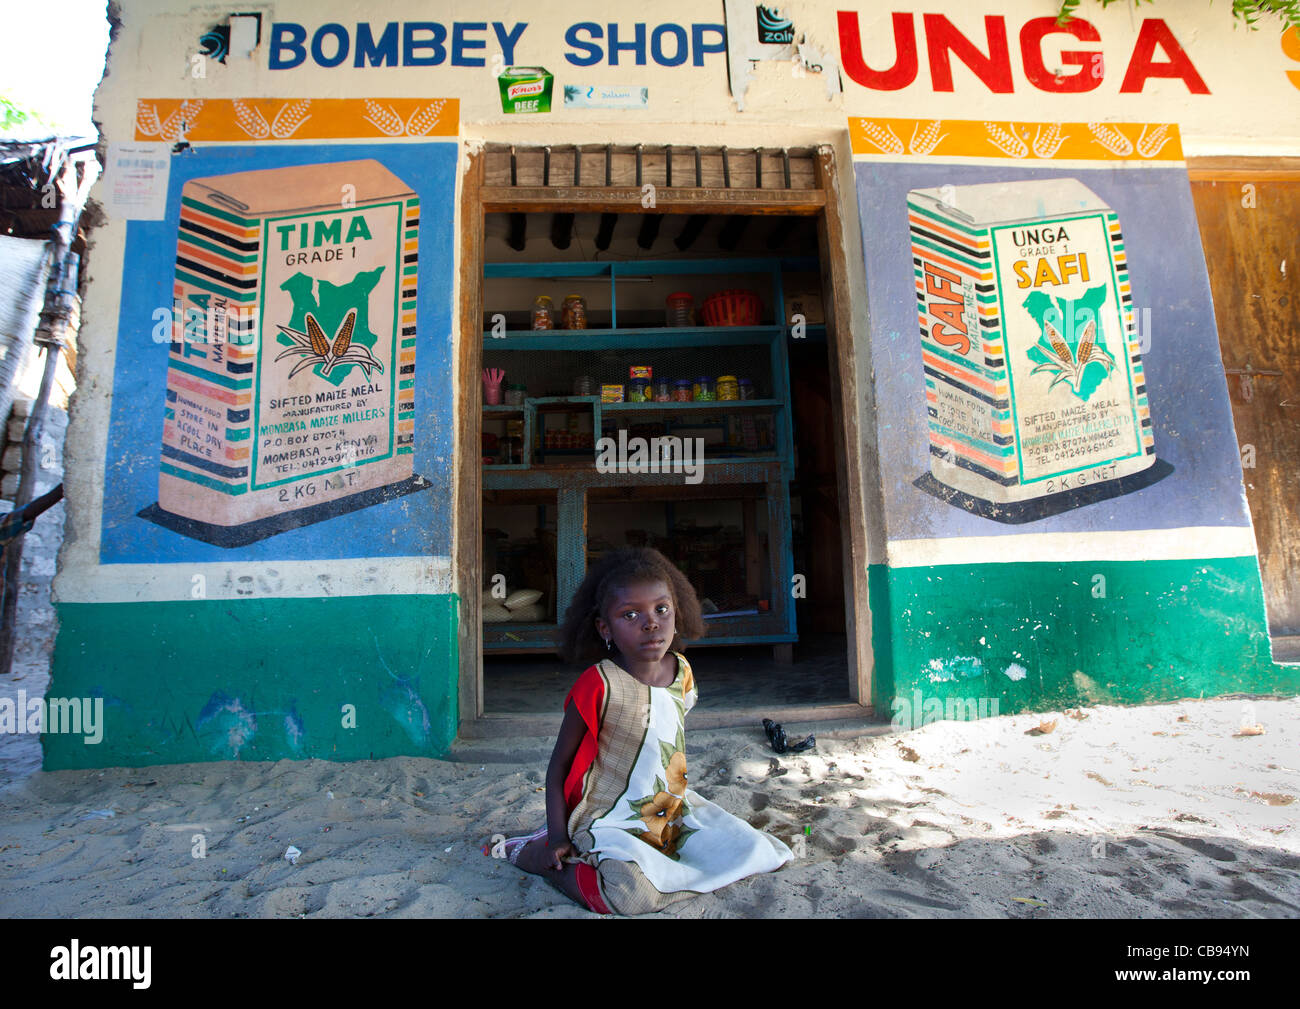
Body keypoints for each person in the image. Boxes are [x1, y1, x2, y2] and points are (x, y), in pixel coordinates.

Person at [495, 546, 792, 915]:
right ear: (605, 628)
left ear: (676, 613)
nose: (650, 623)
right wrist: (558, 836)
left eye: (661, 610)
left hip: (669, 810)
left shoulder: (682, 671)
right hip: (607, 818)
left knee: (757, 850)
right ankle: (539, 858)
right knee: (628, 895)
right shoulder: (599, 684)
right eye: (630, 615)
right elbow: (558, 768)